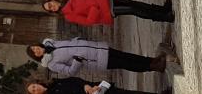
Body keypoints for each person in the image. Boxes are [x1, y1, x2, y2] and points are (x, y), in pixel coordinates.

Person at [42, 0, 175, 25]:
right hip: (106, 10)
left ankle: (162, 9)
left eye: (50, 4)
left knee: (135, 3)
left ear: (52, 0)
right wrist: (94, 8)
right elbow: (88, 21)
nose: (52, 7)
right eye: (51, 9)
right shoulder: (69, 15)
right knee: (132, 9)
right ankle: (164, 17)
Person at [25, 39, 168, 75]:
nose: (37, 50)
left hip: (97, 48)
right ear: (37, 57)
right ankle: (153, 67)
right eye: (35, 53)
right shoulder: (51, 64)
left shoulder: (52, 43)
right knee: (126, 63)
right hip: (96, 60)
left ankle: (152, 60)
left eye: (35, 48)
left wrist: (77, 39)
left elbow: (70, 44)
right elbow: (70, 72)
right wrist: (77, 61)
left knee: (127, 56)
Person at [25, 77, 172, 94]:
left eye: (33, 87)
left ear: (37, 83)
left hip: (97, 90)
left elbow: (75, 80)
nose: (35, 89)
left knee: (128, 93)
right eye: (33, 91)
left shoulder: (55, 81)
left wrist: (87, 86)